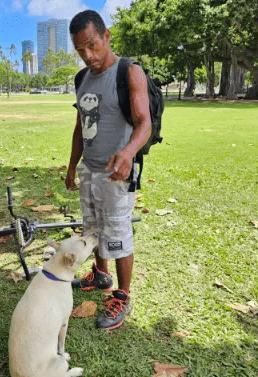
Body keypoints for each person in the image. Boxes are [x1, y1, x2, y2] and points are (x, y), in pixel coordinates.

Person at [66, 10, 152, 330]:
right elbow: (80, 127)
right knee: (92, 228)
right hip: (89, 169)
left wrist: (129, 151)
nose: (88, 56)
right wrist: (72, 167)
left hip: (117, 172)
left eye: (92, 45)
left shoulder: (129, 72)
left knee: (117, 233)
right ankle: (101, 275)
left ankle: (123, 295)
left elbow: (144, 122)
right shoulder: (81, 78)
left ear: (106, 36)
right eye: (80, 50)